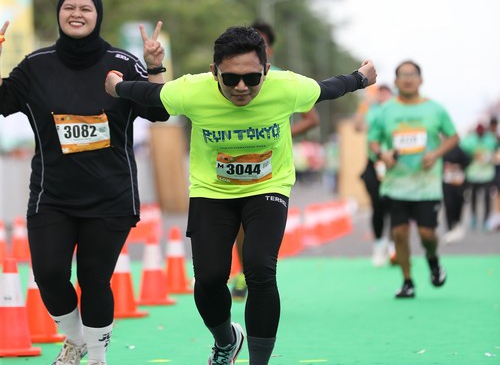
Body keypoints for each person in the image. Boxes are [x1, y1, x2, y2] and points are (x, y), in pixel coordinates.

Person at [105, 25, 376, 365]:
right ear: (213, 71)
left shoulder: (287, 86)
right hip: (211, 191)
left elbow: (329, 88)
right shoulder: (192, 90)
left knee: (260, 269)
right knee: (209, 279)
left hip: (268, 187)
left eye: (252, 78)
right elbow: (150, 95)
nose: (242, 87)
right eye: (230, 79)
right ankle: (226, 341)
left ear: (266, 70)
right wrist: (116, 86)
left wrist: (361, 77)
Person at [0, 0, 169, 365]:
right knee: (48, 275)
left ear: (98, 16)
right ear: (59, 14)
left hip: (110, 196)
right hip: (52, 196)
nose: (76, 13)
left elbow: (158, 111)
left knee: (94, 279)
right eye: (69, 7)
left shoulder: (123, 62)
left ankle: (96, 358)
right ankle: (75, 340)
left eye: (86, 8)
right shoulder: (36, 65)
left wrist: (155, 67)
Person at [231, 19, 320, 301]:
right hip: (234, 163)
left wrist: (281, 134)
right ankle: (244, 273)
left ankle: (258, 274)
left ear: (269, 49)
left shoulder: (284, 80)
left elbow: (312, 119)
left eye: (261, 43)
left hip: (272, 168)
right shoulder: (230, 76)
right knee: (240, 225)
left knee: (261, 229)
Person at [368, 60, 459, 298]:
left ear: (421, 79)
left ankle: (433, 259)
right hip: (396, 184)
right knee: (399, 233)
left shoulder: (435, 109)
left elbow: (453, 137)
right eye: (403, 75)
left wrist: (436, 154)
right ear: (396, 81)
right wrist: (383, 155)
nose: (408, 79)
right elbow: (373, 140)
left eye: (412, 74)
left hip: (427, 184)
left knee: (427, 234)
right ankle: (407, 281)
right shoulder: (385, 110)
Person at [353, 83, 394, 267]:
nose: (382, 96)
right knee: (377, 206)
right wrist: (365, 104)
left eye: (386, 93)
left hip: (393, 165)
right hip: (374, 164)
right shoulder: (372, 111)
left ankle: (394, 246)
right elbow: (357, 126)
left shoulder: (396, 110)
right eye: (380, 93)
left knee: (395, 207)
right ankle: (379, 245)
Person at [460, 122, 497, 231]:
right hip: (473, 174)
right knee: (473, 198)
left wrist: (490, 157)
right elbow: (463, 152)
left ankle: (486, 219)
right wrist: (473, 156)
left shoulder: (491, 139)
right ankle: (474, 217)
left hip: (487, 174)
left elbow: (496, 152)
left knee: (486, 198)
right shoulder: (469, 140)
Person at [441, 145, 471, 243]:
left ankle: (457, 224)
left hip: (459, 183)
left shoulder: (460, 150)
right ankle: (449, 228)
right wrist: (445, 166)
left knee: (459, 204)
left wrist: (457, 166)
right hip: (447, 183)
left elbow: (468, 161)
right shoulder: (443, 150)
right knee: (448, 205)